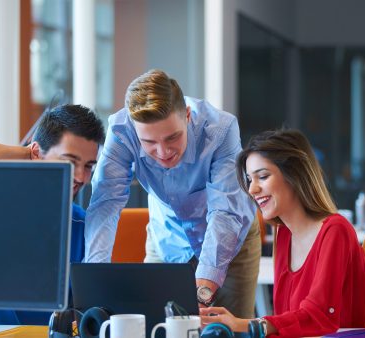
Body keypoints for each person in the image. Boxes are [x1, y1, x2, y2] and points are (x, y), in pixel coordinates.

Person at [84, 69, 260, 318]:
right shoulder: (121, 131)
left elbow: (226, 213)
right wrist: (96, 282)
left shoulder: (221, 129)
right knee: (154, 325)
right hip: (166, 236)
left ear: (187, 116)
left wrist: (203, 290)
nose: (163, 151)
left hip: (231, 240)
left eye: (172, 137)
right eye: (149, 143)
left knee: (227, 330)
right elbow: (106, 204)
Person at [201, 129, 365, 337]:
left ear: (294, 175)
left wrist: (245, 325)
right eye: (249, 180)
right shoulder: (283, 234)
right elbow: (286, 319)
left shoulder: (336, 230)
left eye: (262, 177)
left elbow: (319, 316)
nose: (252, 189)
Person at [0, 104, 105, 324]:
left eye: (88, 166)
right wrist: (26, 153)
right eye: (70, 161)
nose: (80, 177)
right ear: (36, 153)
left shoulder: (83, 226)